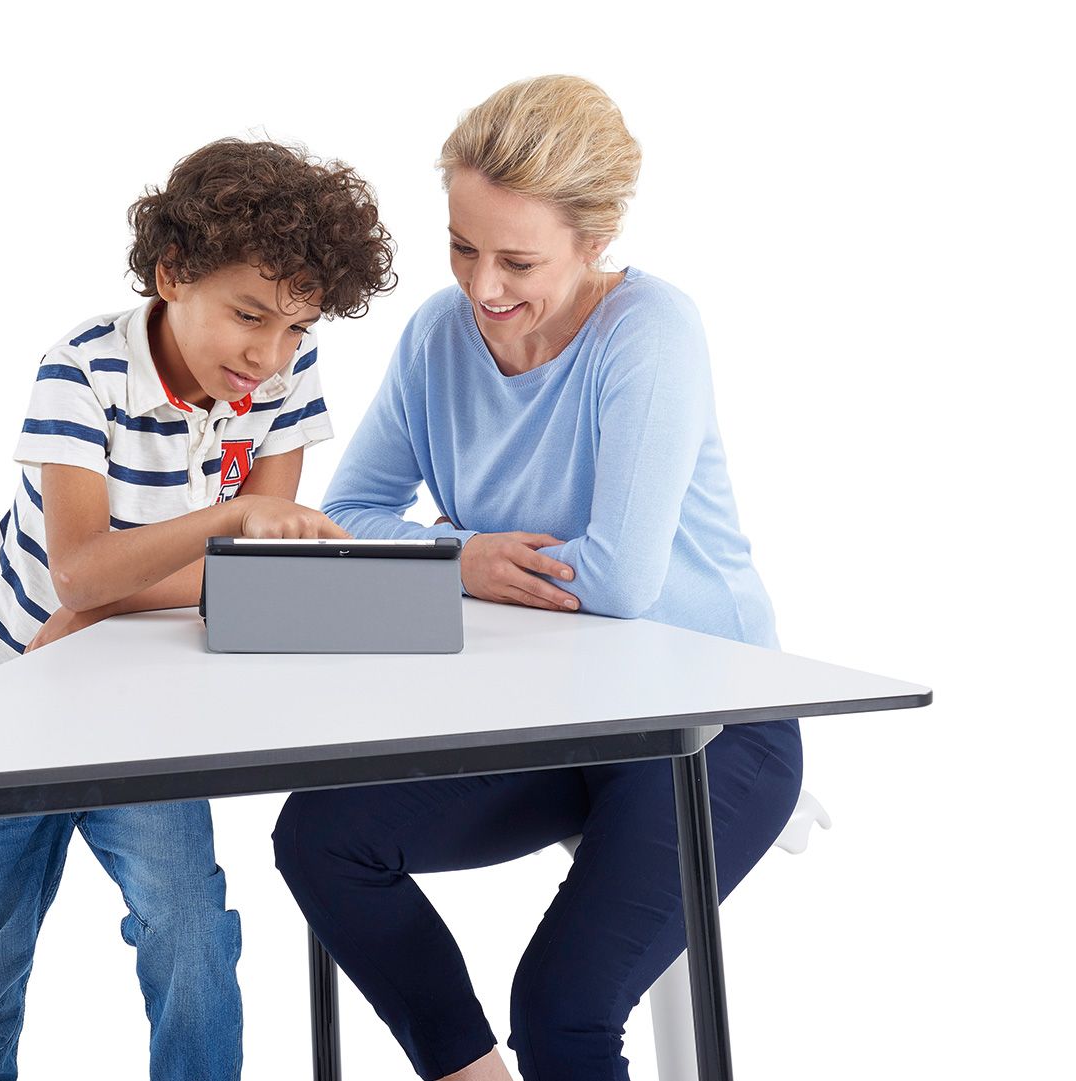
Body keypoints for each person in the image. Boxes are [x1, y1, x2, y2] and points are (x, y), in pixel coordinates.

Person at [273, 76, 803, 1081]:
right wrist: (463, 554)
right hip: (549, 715)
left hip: (713, 721)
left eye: (517, 259)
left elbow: (618, 584)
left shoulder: (648, 333)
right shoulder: (438, 334)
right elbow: (340, 519)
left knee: (563, 1006)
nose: (483, 287)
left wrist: (428, 545)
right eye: (461, 247)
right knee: (322, 839)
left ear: (593, 241)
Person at [0, 138, 394, 1081]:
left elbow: (256, 580)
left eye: (297, 326)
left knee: (192, 935)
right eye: (249, 314)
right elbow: (81, 569)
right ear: (173, 274)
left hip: (135, 703)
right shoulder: (83, 368)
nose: (269, 353)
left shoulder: (283, 377)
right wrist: (230, 519)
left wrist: (116, 599)